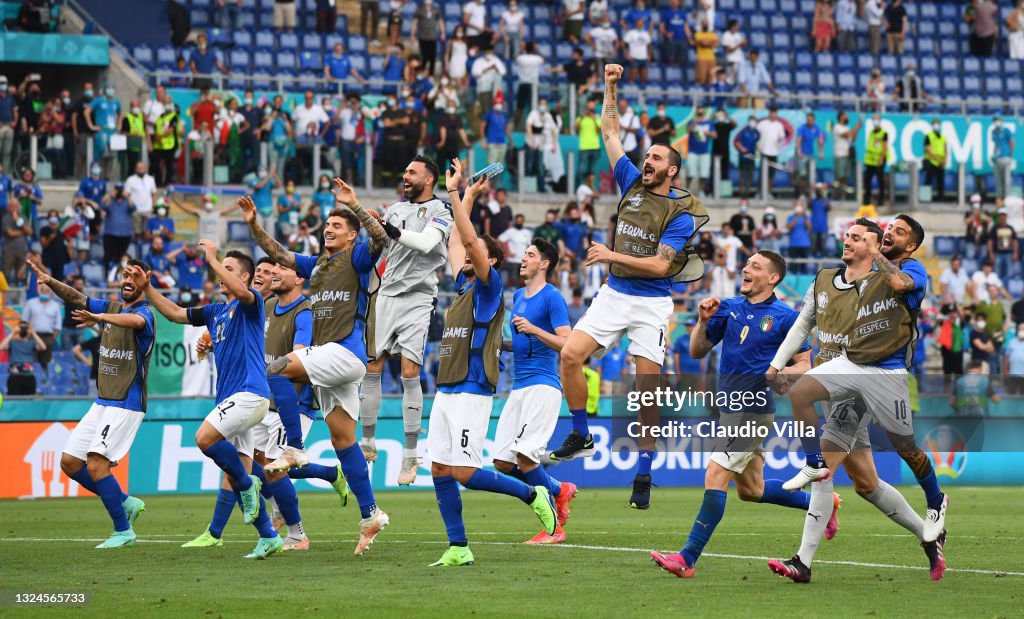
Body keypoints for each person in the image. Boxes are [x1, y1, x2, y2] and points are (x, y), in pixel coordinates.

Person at [549, 64, 709, 499]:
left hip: (651, 304)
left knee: (645, 392)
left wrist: (609, 255)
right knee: (570, 356)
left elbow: (660, 267)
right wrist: (610, 85)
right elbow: (610, 131)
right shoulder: (629, 182)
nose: (647, 161)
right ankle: (581, 434)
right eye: (648, 157)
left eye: (656, 158)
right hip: (614, 294)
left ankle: (643, 470)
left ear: (672, 171)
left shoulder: (678, 214)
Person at [766, 216, 948, 582]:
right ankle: (929, 539)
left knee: (827, 469)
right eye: (846, 235)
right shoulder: (829, 280)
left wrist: (878, 248)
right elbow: (805, 324)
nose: (848, 241)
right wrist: (778, 364)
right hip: (839, 376)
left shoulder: (895, 274)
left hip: (869, 381)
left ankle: (802, 562)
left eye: (857, 237)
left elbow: (899, 288)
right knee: (866, 484)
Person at [652, 251, 826, 579]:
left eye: (755, 266)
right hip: (729, 408)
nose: (745, 269)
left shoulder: (786, 318)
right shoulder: (728, 308)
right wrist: (704, 321)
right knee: (752, 490)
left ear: (773, 278)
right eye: (746, 264)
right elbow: (696, 351)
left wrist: (784, 373)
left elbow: (806, 364)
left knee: (715, 475)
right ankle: (819, 505)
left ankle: (687, 559)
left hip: (753, 408)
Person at [239, 179, 391, 555]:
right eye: (327, 224)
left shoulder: (356, 258)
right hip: (333, 361)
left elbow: (380, 240)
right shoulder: (317, 265)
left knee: (274, 368)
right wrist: (254, 225)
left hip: (345, 353)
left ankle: (295, 448)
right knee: (343, 442)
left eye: (336, 226)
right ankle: (371, 514)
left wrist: (354, 204)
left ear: (352, 234)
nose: (328, 228)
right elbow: (278, 253)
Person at [426, 159, 557, 567]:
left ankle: (532, 493)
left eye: (475, 250)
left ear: (491, 261)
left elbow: (464, 239)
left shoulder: (489, 287)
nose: (466, 252)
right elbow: (454, 242)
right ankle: (458, 546)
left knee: (465, 473)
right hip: (447, 388)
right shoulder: (464, 284)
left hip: (472, 388)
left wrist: (454, 197)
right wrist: (465, 194)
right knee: (440, 471)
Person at [138, 243, 286, 558]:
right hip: (234, 399)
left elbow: (241, 292)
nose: (221, 274)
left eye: (228, 269)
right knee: (235, 472)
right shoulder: (215, 311)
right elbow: (176, 313)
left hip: (249, 394)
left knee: (205, 438)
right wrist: (148, 288)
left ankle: (250, 487)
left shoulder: (252, 302)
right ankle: (268, 537)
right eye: (221, 268)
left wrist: (210, 259)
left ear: (245, 278)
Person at [29, 260, 152, 549]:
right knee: (70, 463)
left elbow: (135, 322)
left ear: (145, 281)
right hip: (102, 402)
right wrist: (51, 280)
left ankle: (123, 531)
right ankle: (125, 502)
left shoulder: (145, 313)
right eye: (124, 274)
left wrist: (101, 319)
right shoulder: (109, 308)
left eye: (134, 276)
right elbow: (77, 297)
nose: (127, 280)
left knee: (97, 464)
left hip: (126, 403)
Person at [356, 156, 451, 484]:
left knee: (410, 371)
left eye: (412, 172)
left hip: (418, 298)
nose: (405, 176)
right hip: (386, 295)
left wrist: (389, 228)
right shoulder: (395, 209)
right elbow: (381, 244)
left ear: (429, 179)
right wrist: (370, 222)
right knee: (373, 367)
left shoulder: (442, 211)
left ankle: (411, 456)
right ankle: (367, 442)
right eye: (405, 170)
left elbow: (425, 243)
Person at [491, 237, 577, 544]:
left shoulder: (552, 297)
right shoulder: (518, 295)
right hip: (519, 388)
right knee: (502, 463)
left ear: (544, 264)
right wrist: (500, 345)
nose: (523, 258)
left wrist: (534, 329)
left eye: (529, 254)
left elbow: (567, 342)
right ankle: (559, 489)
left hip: (543, 386)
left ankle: (554, 529)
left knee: (527, 459)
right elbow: (525, 343)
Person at [686, 108, 716, 196]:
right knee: (690, 172)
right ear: (696, 114)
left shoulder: (708, 123)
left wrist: (709, 133)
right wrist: (696, 122)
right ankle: (687, 189)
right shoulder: (692, 122)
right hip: (693, 151)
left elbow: (715, 135)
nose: (700, 116)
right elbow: (688, 130)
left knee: (704, 174)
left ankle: (701, 190)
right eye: (698, 114)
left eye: (701, 114)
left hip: (704, 152)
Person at [831, 111, 861, 196]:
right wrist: (855, 128)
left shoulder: (847, 127)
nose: (847, 118)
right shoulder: (837, 127)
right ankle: (835, 193)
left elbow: (853, 138)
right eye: (846, 116)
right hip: (840, 154)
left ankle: (843, 194)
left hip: (847, 155)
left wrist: (856, 130)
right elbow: (846, 135)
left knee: (845, 176)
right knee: (839, 175)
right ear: (841, 117)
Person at [795, 113, 824, 198]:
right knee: (802, 174)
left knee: (812, 175)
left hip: (811, 155)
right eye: (808, 120)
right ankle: (802, 194)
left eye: (811, 120)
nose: (809, 122)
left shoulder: (816, 127)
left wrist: (820, 152)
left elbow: (820, 140)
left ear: (814, 120)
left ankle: (811, 194)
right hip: (802, 154)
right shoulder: (802, 128)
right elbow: (799, 140)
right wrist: (799, 151)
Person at [863, 113, 888, 206]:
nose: (875, 121)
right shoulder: (871, 132)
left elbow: (885, 147)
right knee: (867, 180)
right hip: (870, 161)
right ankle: (867, 200)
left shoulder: (884, 133)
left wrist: (881, 159)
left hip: (879, 160)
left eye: (877, 119)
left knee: (880, 180)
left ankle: (881, 200)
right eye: (874, 119)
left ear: (880, 121)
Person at [987, 209, 1019, 282]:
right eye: (1001, 216)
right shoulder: (995, 228)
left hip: (1009, 254)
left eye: (1004, 216)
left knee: (1009, 272)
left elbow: (1015, 241)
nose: (1002, 218)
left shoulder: (1011, 228)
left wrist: (1015, 252)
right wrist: (991, 253)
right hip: (997, 253)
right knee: (996, 272)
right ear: (999, 217)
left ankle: (1008, 287)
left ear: (1006, 217)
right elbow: (990, 241)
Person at [923, 119, 948, 202]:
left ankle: (941, 198)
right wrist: (938, 159)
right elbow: (928, 150)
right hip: (931, 161)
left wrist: (944, 160)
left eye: (937, 124)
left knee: (940, 181)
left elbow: (946, 149)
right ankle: (925, 198)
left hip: (940, 163)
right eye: (935, 124)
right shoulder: (928, 136)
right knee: (928, 180)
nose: (936, 126)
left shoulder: (943, 137)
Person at [785, 201, 812, 274]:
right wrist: (797, 217)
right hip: (793, 245)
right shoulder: (791, 217)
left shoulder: (807, 217)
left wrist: (804, 216)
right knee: (793, 266)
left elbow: (809, 227)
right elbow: (788, 227)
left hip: (804, 244)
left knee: (804, 266)